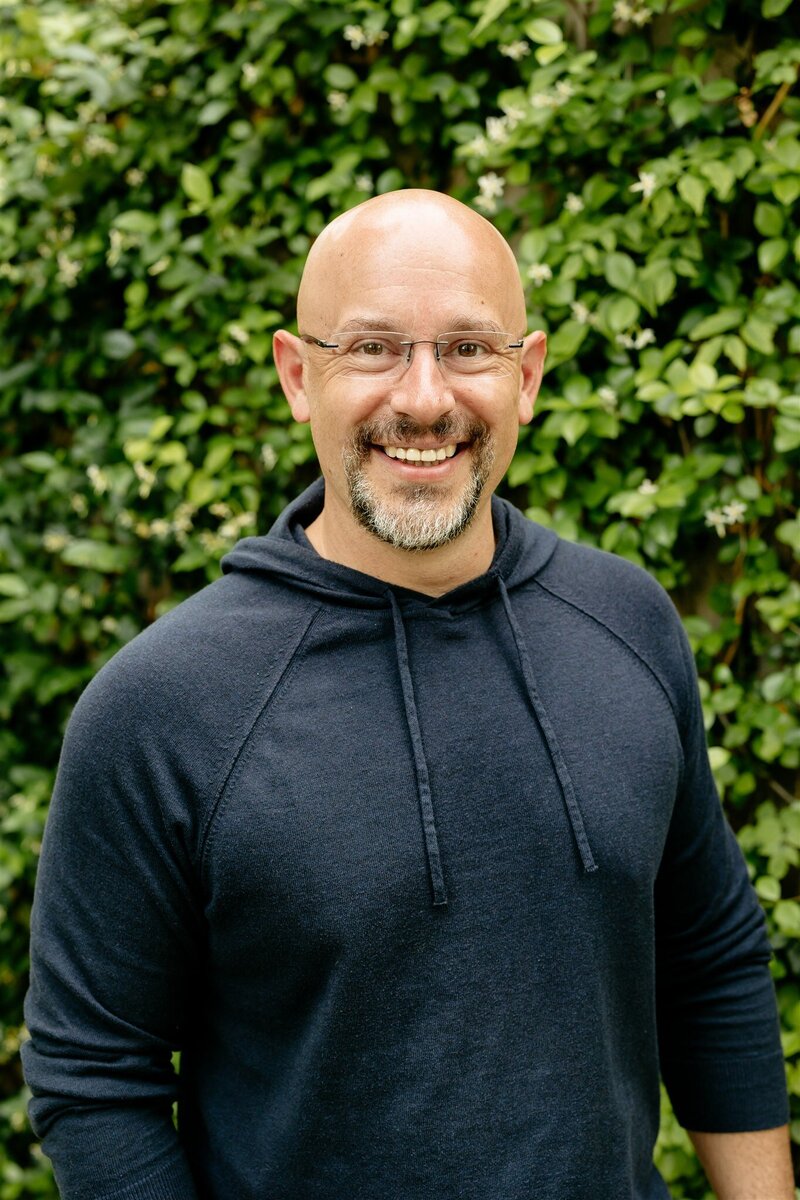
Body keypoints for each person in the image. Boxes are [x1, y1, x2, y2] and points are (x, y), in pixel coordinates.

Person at [23, 190, 793, 1200]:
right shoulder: (162, 708)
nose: (424, 399)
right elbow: (92, 1080)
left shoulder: (627, 622)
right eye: (373, 349)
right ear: (298, 377)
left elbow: (707, 959)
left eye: (469, 350)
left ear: (528, 377)